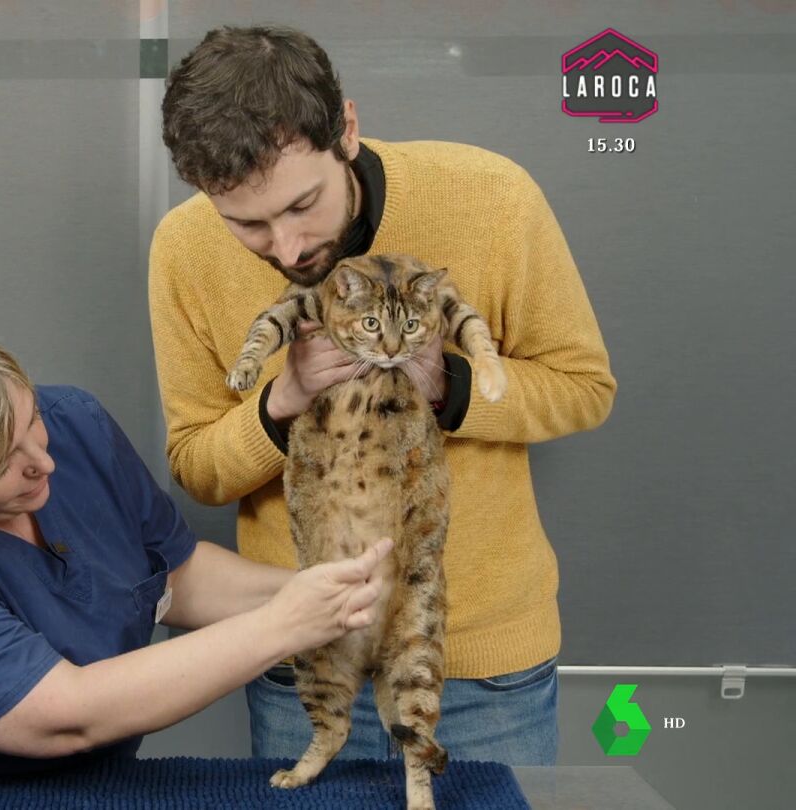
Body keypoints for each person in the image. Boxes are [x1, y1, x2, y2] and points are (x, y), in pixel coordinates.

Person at [149, 25, 617, 765]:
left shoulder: (493, 197)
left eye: (303, 204)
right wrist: (282, 400)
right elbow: (197, 468)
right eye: (246, 223)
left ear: (346, 129)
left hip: (482, 673)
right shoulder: (182, 248)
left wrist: (445, 385)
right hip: (304, 658)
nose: (287, 248)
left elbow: (584, 388)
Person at [0, 307, 394, 773]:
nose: (44, 462)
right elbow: (66, 716)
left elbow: (178, 577)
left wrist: (339, 592)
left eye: (31, 420)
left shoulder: (73, 422)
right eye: (0, 464)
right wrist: (284, 626)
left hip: (84, 780)